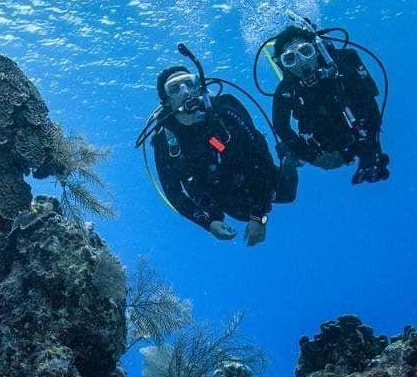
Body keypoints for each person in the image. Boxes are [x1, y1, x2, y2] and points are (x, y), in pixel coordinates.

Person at [150, 65, 277, 245]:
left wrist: (259, 216)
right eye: (175, 88)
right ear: (166, 100)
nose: (185, 92)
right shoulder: (165, 141)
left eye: (189, 83)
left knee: (287, 192)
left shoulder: (225, 111)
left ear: (199, 86)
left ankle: (288, 160)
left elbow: (260, 154)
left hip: (251, 177)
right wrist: (208, 224)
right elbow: (173, 192)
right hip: (216, 195)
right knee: (239, 213)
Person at [270, 25, 390, 185]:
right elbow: (281, 127)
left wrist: (372, 146)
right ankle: (293, 156)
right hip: (321, 144)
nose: (301, 63)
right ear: (283, 65)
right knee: (286, 150)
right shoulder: (285, 90)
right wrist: (314, 158)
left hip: (355, 132)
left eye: (306, 52)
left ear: (316, 49)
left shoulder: (343, 64)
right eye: (290, 59)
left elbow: (369, 103)